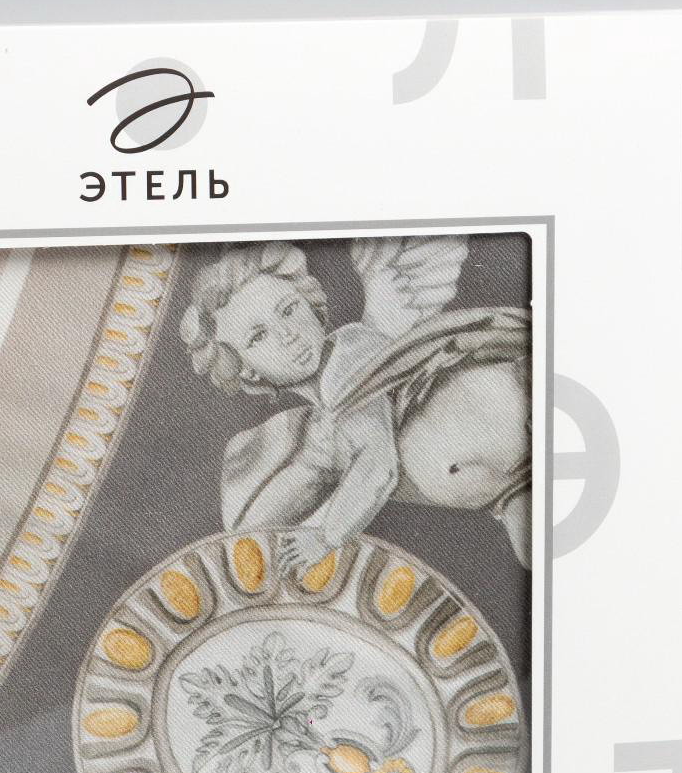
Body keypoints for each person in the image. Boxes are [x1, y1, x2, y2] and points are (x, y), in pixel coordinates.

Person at [179, 237, 534, 568]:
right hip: (510, 490)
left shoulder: (349, 360)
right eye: (258, 336)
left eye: (288, 310)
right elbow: (250, 528)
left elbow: (378, 464)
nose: (288, 335)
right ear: (245, 370)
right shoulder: (326, 421)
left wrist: (325, 538)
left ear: (310, 304)